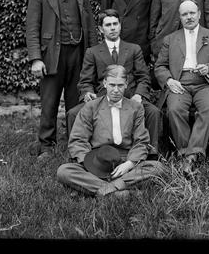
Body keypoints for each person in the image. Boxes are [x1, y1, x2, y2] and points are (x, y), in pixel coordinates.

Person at [26, 0, 98, 160]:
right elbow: (32, 29)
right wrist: (36, 59)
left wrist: (93, 56)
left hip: (78, 55)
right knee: (49, 102)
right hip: (51, 57)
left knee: (76, 102)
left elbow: (91, 29)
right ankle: (46, 146)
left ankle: (75, 143)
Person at [57, 65, 166, 199]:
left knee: (158, 167)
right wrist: (91, 166)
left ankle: (102, 190)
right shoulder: (91, 107)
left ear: (126, 84)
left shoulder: (136, 108)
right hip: (97, 160)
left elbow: (141, 141)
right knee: (64, 171)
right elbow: (78, 140)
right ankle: (122, 192)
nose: (115, 90)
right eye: (112, 85)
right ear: (105, 83)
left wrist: (129, 164)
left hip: (125, 160)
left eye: (120, 85)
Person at [65, 9, 161, 158]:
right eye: (108, 25)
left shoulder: (133, 49)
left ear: (120, 26)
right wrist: (87, 92)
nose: (112, 28)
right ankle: (78, 155)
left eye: (115, 24)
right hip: (102, 97)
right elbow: (85, 80)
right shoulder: (93, 52)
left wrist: (139, 94)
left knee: (153, 112)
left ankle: (151, 154)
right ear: (101, 29)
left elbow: (144, 77)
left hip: (130, 95)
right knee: (72, 113)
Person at [154, 0, 209, 176]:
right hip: (180, 83)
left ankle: (191, 156)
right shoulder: (171, 39)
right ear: (180, 17)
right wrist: (169, 81)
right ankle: (186, 152)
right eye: (184, 14)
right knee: (174, 109)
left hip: (205, 83)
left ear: (199, 14)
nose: (189, 17)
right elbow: (159, 66)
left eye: (192, 13)